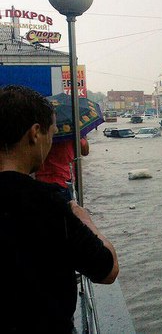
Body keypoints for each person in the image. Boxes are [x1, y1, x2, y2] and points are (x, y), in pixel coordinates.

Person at [0, 85, 118, 333]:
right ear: (34, 134)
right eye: (50, 133)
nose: (51, 141)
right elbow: (107, 270)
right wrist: (86, 221)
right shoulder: (48, 208)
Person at [35, 136, 90, 201]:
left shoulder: (40, 133)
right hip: (62, 181)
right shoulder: (70, 131)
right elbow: (85, 151)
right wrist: (83, 138)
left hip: (40, 180)